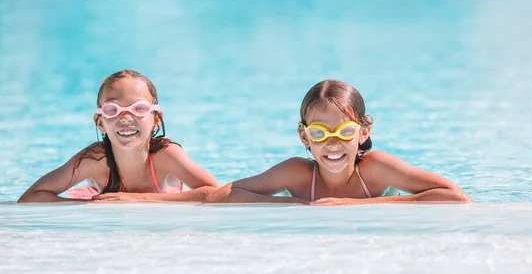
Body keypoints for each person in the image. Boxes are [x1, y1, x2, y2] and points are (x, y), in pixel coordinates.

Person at [97, 79, 470, 205]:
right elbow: (223, 195)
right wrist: (133, 199)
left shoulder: (377, 169)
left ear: (364, 133)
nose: (334, 144)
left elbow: (455, 197)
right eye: (321, 133)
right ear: (304, 136)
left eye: (345, 132)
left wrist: (350, 208)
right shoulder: (296, 174)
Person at [18, 70, 219, 203]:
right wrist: (90, 207)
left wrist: (137, 200)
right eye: (112, 109)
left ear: (156, 119)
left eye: (139, 108)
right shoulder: (94, 159)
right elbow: (31, 197)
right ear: (100, 123)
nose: (126, 118)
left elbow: (217, 193)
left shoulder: (166, 156)